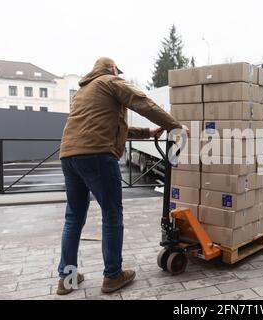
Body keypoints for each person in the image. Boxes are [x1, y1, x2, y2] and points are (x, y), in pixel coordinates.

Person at [57, 57, 186, 295]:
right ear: (112, 69)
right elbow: (142, 102)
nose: (120, 74)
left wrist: (147, 132)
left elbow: (109, 127)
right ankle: (112, 276)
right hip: (97, 156)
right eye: (118, 71)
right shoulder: (110, 81)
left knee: (73, 217)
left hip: (69, 156)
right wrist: (174, 125)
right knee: (112, 214)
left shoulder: (84, 92)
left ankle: (67, 278)